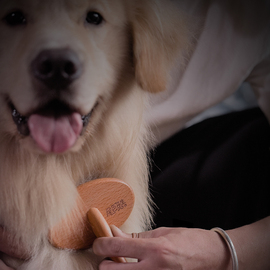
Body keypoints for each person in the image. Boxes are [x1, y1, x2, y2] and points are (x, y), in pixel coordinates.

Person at [1, 0, 270, 269]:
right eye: (14, 17)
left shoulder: (252, 14)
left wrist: (223, 252)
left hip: (155, 159)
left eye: (94, 17)